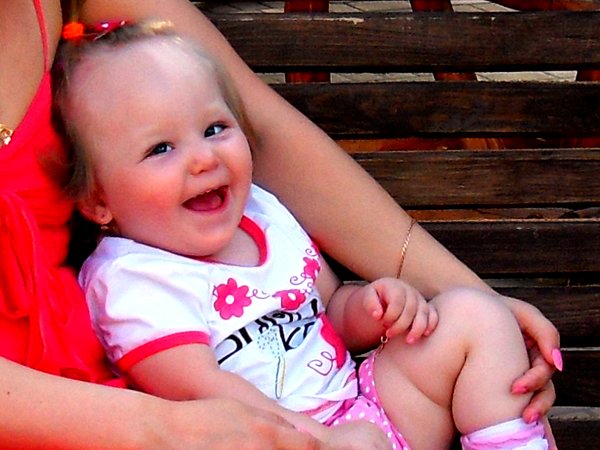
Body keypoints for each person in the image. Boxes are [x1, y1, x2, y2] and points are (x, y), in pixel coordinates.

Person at [0, 0, 558, 448]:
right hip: (264, 434)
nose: (203, 159)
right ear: (98, 202)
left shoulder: (262, 216)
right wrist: (320, 440)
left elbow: (328, 310)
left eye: (215, 129)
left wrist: (373, 308)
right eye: (161, 148)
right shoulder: (133, 280)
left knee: (475, 315)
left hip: (362, 407)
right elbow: (201, 394)